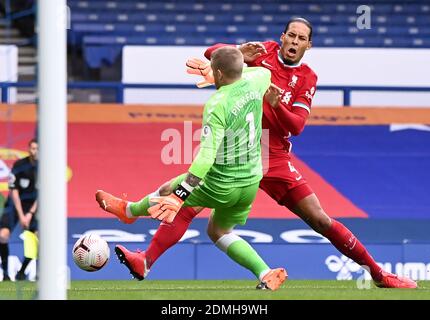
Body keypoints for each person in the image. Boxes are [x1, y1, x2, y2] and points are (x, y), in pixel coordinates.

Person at [99, 18, 417, 289]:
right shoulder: (263, 54)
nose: (294, 41)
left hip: (273, 156)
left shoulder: (306, 78)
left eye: (301, 38)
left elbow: (297, 126)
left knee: (319, 218)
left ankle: (378, 273)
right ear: (281, 37)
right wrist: (239, 50)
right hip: (237, 151)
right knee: (187, 206)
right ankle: (144, 252)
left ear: (309, 46)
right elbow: (214, 54)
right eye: (290, 35)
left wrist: (277, 106)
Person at [97, 47, 287, 290]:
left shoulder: (217, 104)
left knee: (169, 192)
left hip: (221, 182)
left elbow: (206, 156)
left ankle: (129, 211)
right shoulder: (260, 77)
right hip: (250, 181)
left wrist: (181, 194)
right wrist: (228, 64)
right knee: (219, 231)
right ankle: (265, 272)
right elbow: (250, 71)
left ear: (217, 73)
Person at [0, 138, 38, 281]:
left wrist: (30, 214)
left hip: (32, 208)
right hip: (15, 205)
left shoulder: (44, 168)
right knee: (3, 235)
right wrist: (22, 215)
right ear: (29, 149)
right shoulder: (20, 165)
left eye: (37, 149)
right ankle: (5, 274)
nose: (35, 151)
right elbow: (13, 191)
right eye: (33, 148)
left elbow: (41, 194)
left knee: (37, 239)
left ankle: (22, 271)